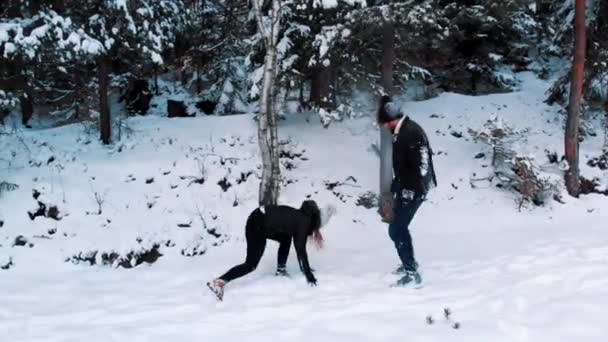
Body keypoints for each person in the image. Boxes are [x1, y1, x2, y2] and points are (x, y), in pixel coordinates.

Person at [207, 200, 336, 300]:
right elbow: (300, 250)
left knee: (286, 238)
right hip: (257, 224)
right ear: (317, 222)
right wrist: (309, 275)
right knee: (251, 265)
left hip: (261, 220)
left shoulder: (302, 217)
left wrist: (305, 269)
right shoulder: (303, 223)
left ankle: (281, 270)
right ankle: (219, 282)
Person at [377, 95, 437, 288]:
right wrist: (396, 188)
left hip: (415, 189)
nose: (385, 126)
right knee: (399, 228)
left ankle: (412, 274)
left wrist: (410, 191)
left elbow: (423, 166)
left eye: (386, 123)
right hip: (407, 188)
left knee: (396, 228)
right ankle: (409, 264)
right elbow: (403, 166)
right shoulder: (403, 131)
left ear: (393, 119)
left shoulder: (411, 132)